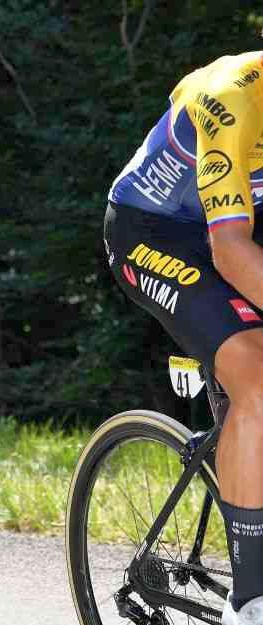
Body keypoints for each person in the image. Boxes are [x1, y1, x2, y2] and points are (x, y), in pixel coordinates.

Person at [103, 50, 263, 625]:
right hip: (157, 231)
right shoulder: (233, 98)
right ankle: (249, 601)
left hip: (243, 218)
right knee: (257, 380)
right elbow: (230, 252)